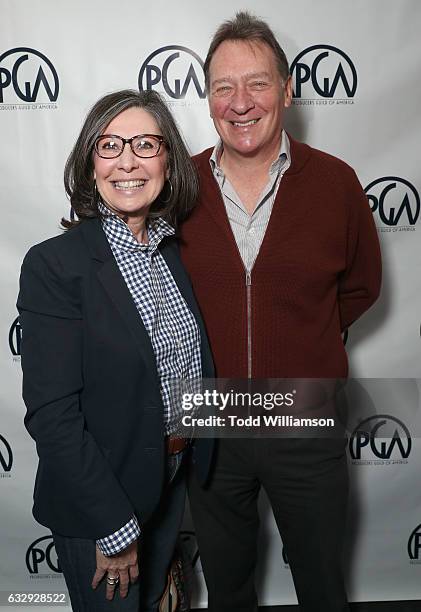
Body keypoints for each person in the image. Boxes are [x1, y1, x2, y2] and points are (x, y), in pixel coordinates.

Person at [180, 12, 382, 612]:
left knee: (322, 585)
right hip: (210, 418)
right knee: (227, 587)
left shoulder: (337, 184)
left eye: (258, 83)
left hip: (305, 416)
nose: (241, 102)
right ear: (208, 97)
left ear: (288, 90)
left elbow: (360, 288)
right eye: (223, 86)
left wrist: (300, 340)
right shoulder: (179, 187)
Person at [17, 89, 213, 612]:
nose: (128, 160)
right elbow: (53, 414)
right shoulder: (55, 265)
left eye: (146, 144)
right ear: (89, 162)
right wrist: (115, 527)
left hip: (170, 481)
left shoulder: (170, 252)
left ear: (168, 162)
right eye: (110, 145)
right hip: (101, 502)